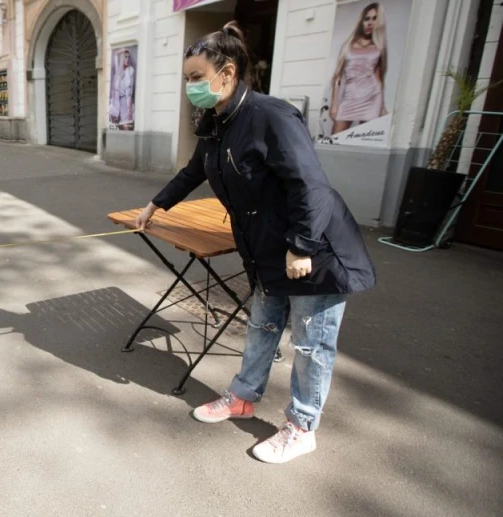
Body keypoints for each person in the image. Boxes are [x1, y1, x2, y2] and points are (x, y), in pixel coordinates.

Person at [133, 21, 376, 464]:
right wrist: (156, 204)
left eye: (195, 78)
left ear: (226, 74)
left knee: (310, 344)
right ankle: (243, 396)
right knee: (262, 327)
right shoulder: (216, 121)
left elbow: (310, 186)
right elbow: (195, 171)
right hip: (266, 249)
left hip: (315, 250)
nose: (189, 87)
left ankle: (302, 427)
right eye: (186, 79)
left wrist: (302, 245)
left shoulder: (272, 116)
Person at [330, 3, 388, 134]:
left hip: (372, 97)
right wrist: (334, 105)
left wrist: (382, 106)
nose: (370, 23)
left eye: (374, 19)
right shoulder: (348, 45)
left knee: (364, 138)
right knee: (334, 139)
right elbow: (337, 77)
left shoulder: (379, 48)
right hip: (350, 97)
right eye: (367, 19)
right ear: (362, 21)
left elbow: (379, 78)